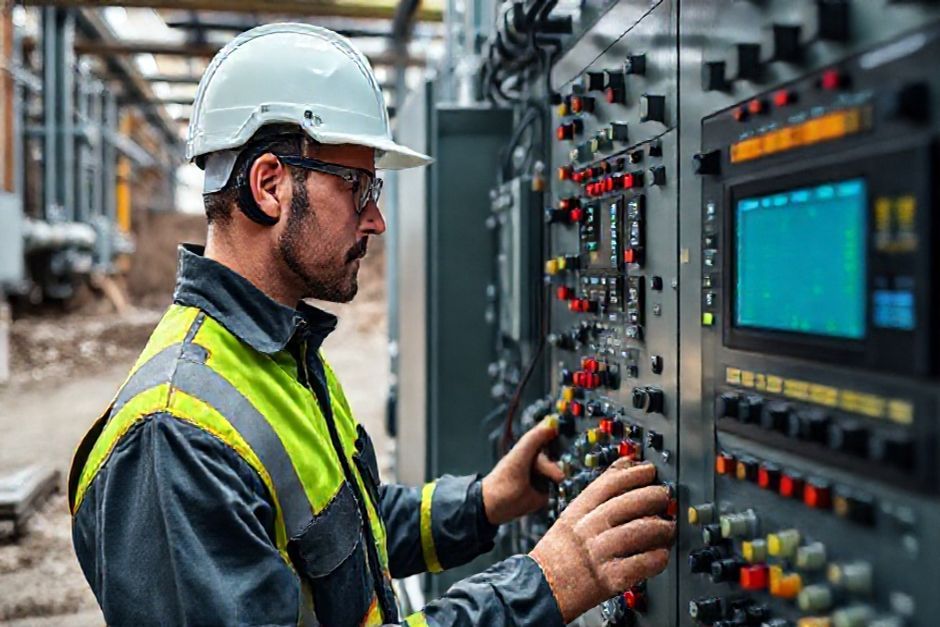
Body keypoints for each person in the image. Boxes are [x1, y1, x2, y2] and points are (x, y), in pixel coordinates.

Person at [68, 23, 674, 626]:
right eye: (358, 187)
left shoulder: (276, 355)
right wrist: (540, 587)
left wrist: (486, 502)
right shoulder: (174, 440)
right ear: (270, 186)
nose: (377, 220)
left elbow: (344, 531)